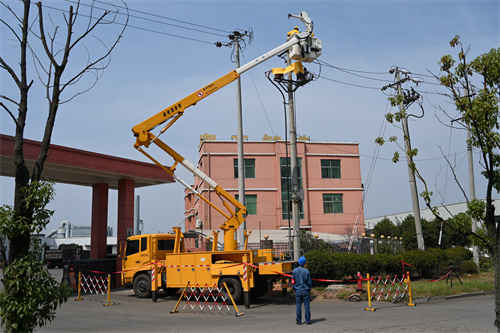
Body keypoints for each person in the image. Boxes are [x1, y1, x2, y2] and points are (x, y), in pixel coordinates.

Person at [292, 256, 312, 325]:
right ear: (305, 263)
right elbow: (309, 282)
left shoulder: (295, 271)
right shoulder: (307, 271)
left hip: (298, 290)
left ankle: (298, 320)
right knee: (306, 305)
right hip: (305, 290)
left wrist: (294, 288)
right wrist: (309, 289)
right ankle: (308, 320)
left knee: (298, 305)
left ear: (298, 262)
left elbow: (293, 281)